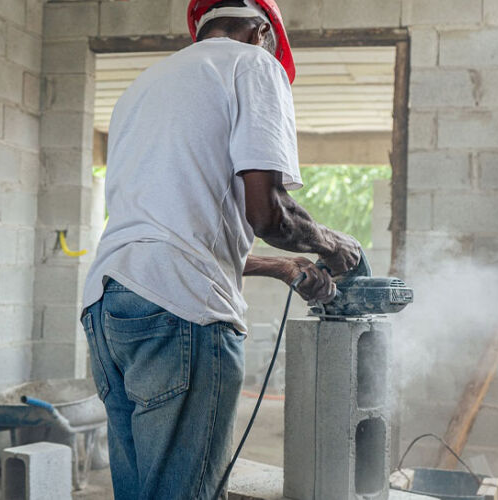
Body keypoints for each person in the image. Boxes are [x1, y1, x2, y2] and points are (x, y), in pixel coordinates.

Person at [80, 0, 361, 498]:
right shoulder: (254, 65)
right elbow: (268, 213)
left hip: (109, 306)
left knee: (141, 489)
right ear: (262, 32)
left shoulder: (142, 87)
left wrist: (279, 265)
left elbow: (171, 231)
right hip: (183, 311)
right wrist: (334, 246)